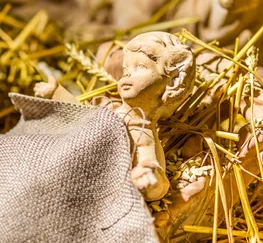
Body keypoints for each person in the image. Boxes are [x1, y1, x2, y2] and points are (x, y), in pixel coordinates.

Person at [35, 31, 196, 201]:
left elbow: (158, 179)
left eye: (140, 67)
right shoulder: (108, 109)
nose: (127, 74)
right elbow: (81, 117)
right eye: (126, 69)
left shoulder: (141, 132)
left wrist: (149, 179)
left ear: (171, 82)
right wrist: (56, 93)